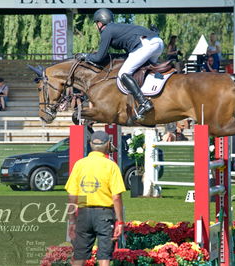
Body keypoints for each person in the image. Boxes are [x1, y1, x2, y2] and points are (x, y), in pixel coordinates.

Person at [76, 8, 164, 120]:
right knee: (146, 69)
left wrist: (85, 56)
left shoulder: (107, 31)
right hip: (157, 42)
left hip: (146, 45)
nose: (95, 26)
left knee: (123, 73)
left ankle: (144, 102)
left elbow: (98, 57)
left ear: (99, 22)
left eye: (95, 23)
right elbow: (126, 54)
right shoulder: (119, 27)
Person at [65, 131, 126, 266]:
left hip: (83, 213)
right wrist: (120, 222)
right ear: (108, 144)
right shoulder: (111, 166)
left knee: (79, 255)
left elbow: (72, 196)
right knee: (104, 255)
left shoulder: (79, 164)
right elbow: (116, 197)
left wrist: (72, 221)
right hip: (104, 214)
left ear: (91, 144)